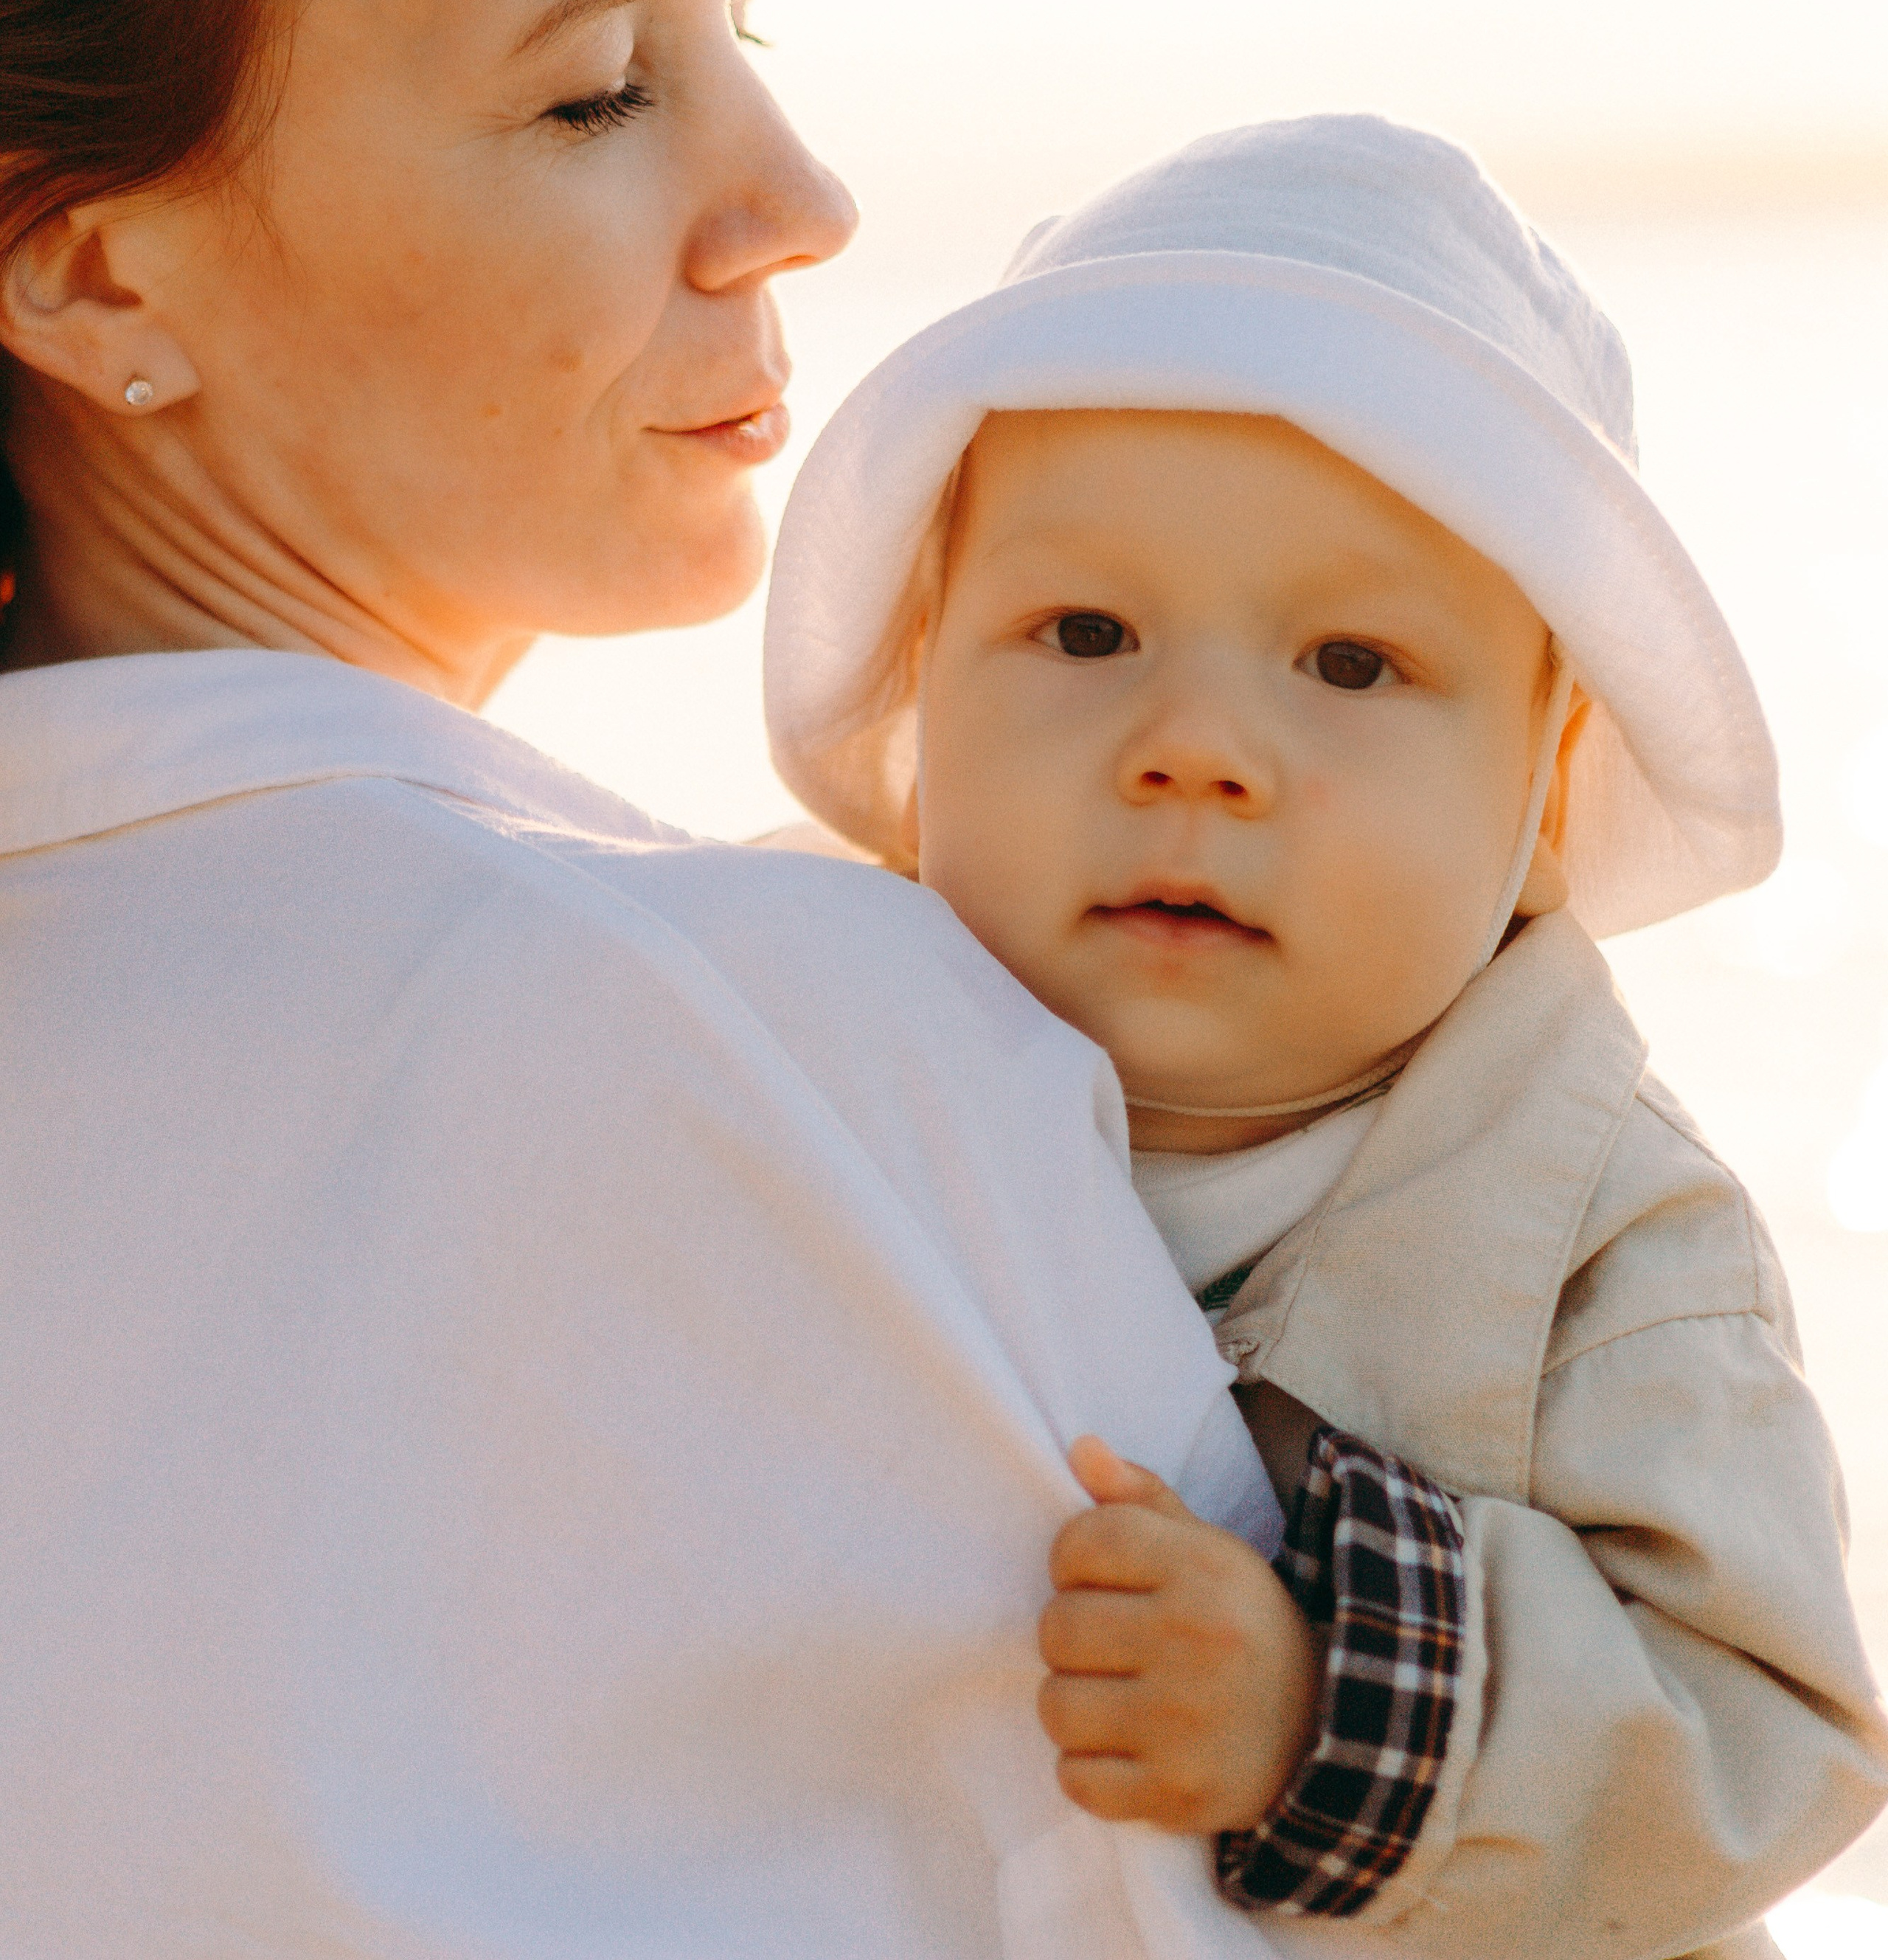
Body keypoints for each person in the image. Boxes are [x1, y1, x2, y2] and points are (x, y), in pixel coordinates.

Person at [0, 0, 1294, 1959]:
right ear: (93, 282)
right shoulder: (756, 1038)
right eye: (599, 88)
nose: (794, 193)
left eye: (741, 16)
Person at [764, 113, 1888, 1959]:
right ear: (916, 702)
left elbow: (1764, 1732)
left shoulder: (1604, 1236)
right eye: (1085, 627)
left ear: (1542, 793)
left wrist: (1321, 1705)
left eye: (1348, 666)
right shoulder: (779, 1051)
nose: (1194, 744)